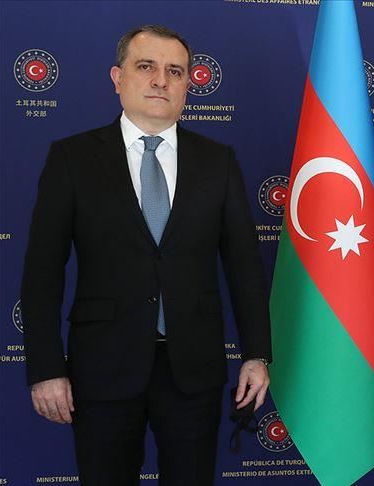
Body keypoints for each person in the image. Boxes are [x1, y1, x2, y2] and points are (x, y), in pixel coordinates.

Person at [21, 25, 272, 485]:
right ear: (118, 78)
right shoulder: (72, 158)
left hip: (193, 370)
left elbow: (245, 268)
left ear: (187, 84)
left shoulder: (218, 161)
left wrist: (256, 353)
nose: (161, 80)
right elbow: (42, 273)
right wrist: (46, 369)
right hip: (102, 368)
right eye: (146, 66)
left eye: (175, 71)